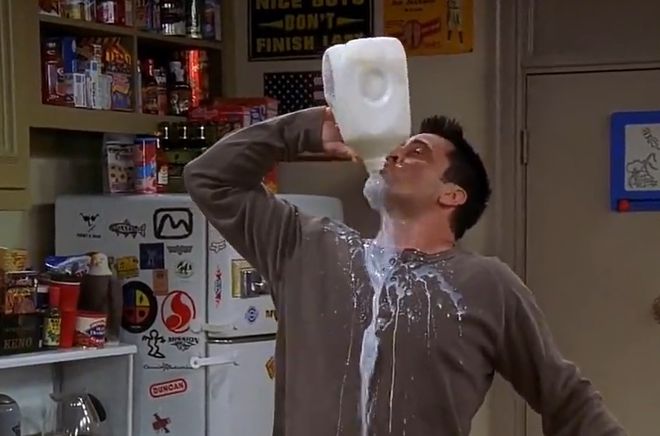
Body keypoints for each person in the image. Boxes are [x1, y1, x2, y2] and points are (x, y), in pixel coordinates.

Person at [184, 107, 626, 436]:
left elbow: (566, 398)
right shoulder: (307, 246)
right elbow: (210, 177)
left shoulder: (486, 285)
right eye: (398, 148)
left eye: (417, 152)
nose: (395, 154)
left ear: (452, 195)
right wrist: (303, 131)